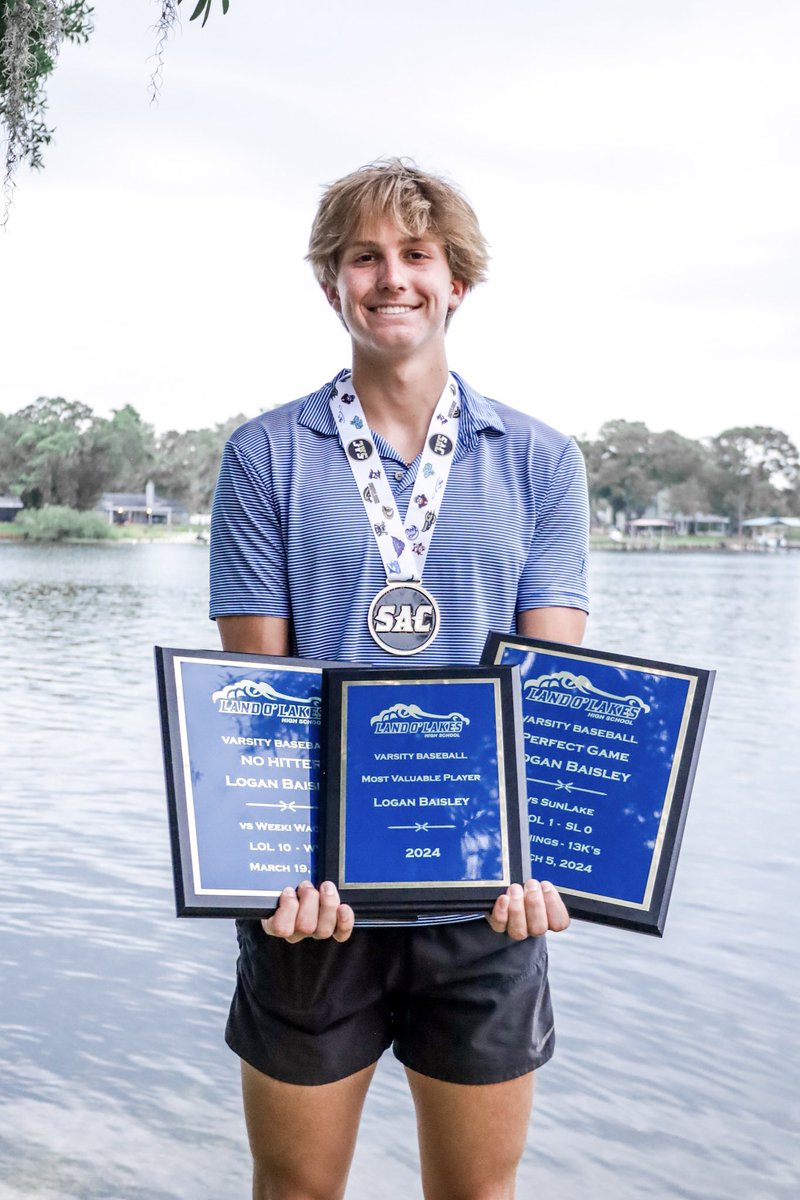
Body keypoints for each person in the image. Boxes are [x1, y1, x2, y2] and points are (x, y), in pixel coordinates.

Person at [210, 158, 589, 1200]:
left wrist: (547, 859)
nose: (391, 278)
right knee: (295, 1190)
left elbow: (548, 690)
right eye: (363, 257)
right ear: (330, 283)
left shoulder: (540, 461)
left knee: (473, 1194)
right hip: (315, 900)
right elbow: (260, 699)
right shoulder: (263, 457)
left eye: (415, 255)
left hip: (483, 902)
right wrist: (267, 870)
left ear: (454, 280)